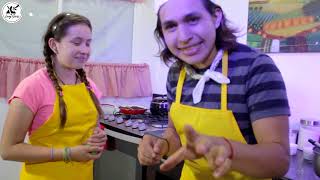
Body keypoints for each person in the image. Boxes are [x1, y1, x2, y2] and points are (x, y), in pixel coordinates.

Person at [137, 0, 290, 179]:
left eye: (193, 19)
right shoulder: (176, 73)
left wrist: (229, 150)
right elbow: (175, 135)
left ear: (216, 17)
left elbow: (280, 160)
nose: (183, 36)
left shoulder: (255, 68)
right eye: (171, 26)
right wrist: (161, 144)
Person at [0, 12, 107, 180]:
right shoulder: (32, 87)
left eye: (88, 43)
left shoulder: (90, 86)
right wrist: (67, 153)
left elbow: (88, 129)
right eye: (77, 42)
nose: (85, 50)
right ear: (54, 45)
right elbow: (8, 150)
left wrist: (98, 137)